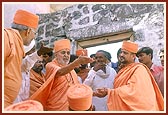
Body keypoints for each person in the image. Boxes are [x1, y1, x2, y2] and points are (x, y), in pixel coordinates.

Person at [94, 41, 164, 111]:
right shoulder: (122, 70)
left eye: (125, 53)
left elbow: (133, 91)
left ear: (133, 56)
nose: (121, 55)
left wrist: (109, 92)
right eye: (121, 52)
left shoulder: (139, 69)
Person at [29, 39, 94, 111]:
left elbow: (76, 89)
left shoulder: (72, 70)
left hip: (71, 107)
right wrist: (77, 62)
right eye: (63, 53)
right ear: (56, 55)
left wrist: (92, 93)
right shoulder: (50, 65)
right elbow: (60, 72)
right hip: (56, 107)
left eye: (68, 53)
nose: (66, 55)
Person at [4, 9, 39, 108]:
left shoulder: (16, 44)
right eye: (34, 33)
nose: (34, 37)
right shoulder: (6, 37)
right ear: (28, 31)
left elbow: (20, 67)